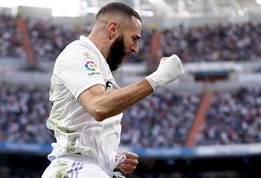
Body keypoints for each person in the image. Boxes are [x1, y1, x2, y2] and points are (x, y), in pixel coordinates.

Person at [42, 2, 184, 178]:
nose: (135, 48)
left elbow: (84, 126)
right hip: (75, 168)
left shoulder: (100, 67)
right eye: (134, 38)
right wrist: (158, 78)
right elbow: (98, 106)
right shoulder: (79, 53)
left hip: (86, 168)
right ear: (113, 29)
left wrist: (110, 159)